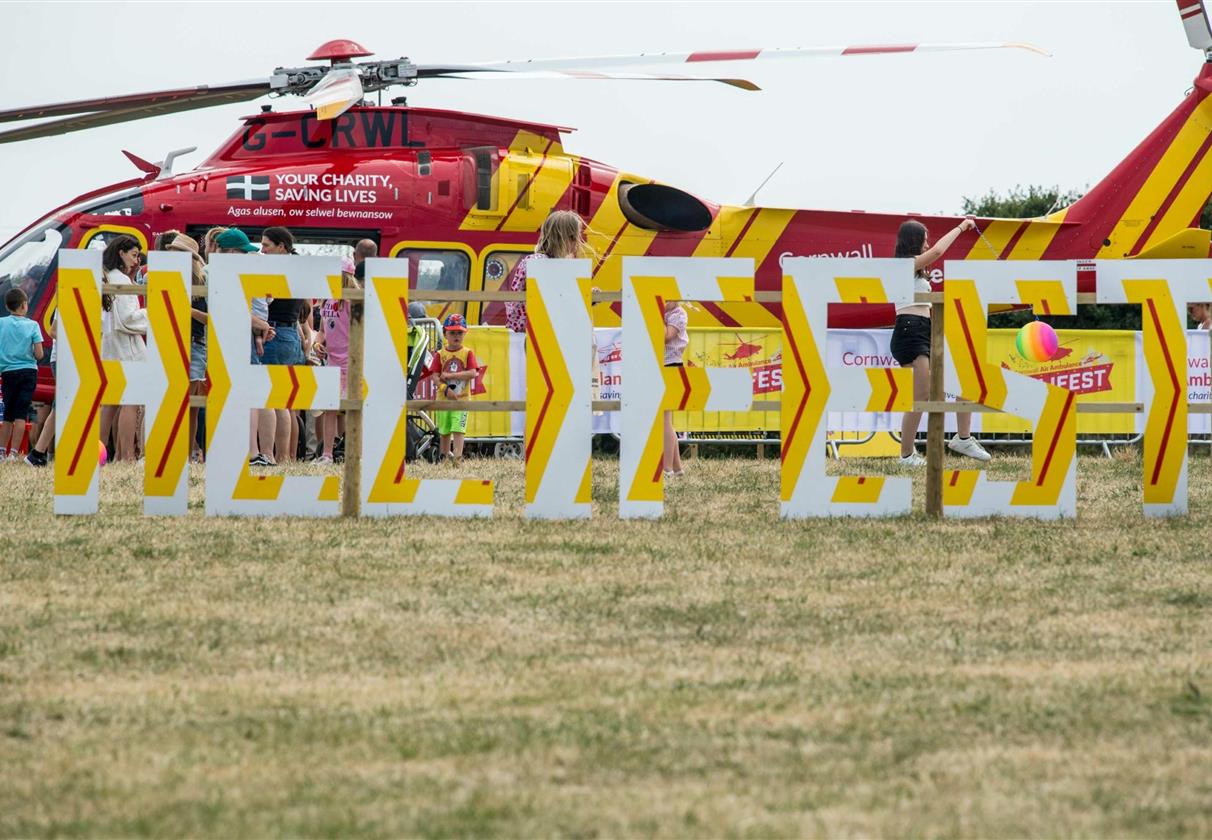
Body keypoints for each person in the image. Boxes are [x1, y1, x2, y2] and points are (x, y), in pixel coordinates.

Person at [889, 219, 991, 466]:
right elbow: (937, 252)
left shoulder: (916, 270)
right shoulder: (901, 265)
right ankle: (906, 455)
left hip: (924, 330)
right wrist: (961, 227)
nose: (927, 243)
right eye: (924, 238)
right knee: (922, 396)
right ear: (913, 240)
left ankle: (963, 438)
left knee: (964, 379)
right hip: (909, 332)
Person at [213, 228, 278, 467]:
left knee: (245, 393)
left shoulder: (228, 274)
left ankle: (248, 451)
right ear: (230, 252)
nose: (248, 256)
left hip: (239, 337)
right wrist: (260, 326)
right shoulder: (229, 276)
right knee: (248, 393)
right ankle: (251, 452)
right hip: (238, 338)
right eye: (243, 252)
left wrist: (259, 329)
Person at [258, 226, 309, 463]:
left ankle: (271, 454)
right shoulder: (299, 268)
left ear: (281, 247)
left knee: (271, 399)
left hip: (275, 333)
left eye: (266, 245)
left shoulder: (279, 270)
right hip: (289, 333)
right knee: (284, 402)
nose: (262, 250)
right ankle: (285, 456)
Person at [99, 235, 147, 462]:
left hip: (109, 346)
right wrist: (154, 311)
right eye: (134, 254)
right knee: (131, 401)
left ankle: (97, 452)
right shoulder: (122, 281)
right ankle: (126, 454)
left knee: (109, 403)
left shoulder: (105, 277)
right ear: (121, 253)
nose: (136, 260)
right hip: (127, 350)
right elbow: (128, 319)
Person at [314, 260, 360, 464]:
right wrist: (317, 344)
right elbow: (323, 331)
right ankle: (327, 454)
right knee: (329, 408)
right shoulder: (326, 301)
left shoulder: (352, 302)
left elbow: (362, 330)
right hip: (332, 362)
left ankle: (356, 452)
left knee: (353, 409)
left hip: (351, 362)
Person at [419, 313, 480, 464]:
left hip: (462, 400)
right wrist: (445, 389)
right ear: (445, 333)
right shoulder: (440, 354)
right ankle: (444, 457)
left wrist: (456, 375)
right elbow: (434, 376)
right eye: (452, 332)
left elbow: (473, 372)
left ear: (465, 333)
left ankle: (457, 458)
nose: (456, 336)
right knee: (444, 430)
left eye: (459, 332)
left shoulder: (467, 353)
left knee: (458, 429)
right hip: (443, 398)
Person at [168, 233, 208, 462]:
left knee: (191, 405)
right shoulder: (168, 279)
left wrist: (186, 309)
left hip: (195, 343)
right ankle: (180, 451)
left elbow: (211, 319)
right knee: (178, 402)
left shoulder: (201, 282)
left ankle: (190, 450)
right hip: (173, 343)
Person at [0, 288, 45, 459]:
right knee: (20, 414)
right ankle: (14, 453)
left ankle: (2, 451)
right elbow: (39, 354)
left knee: (8, 415)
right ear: (25, 305)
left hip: (8, 373)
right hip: (28, 372)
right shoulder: (33, 325)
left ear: (7, 306)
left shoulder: (1, 323)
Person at [662, 296, 688, 478]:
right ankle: (677, 469)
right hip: (663, 365)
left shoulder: (679, 314)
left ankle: (667, 469)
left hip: (671, 366)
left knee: (664, 420)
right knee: (665, 420)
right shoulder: (668, 314)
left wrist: (654, 313)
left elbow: (666, 337)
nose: (664, 303)